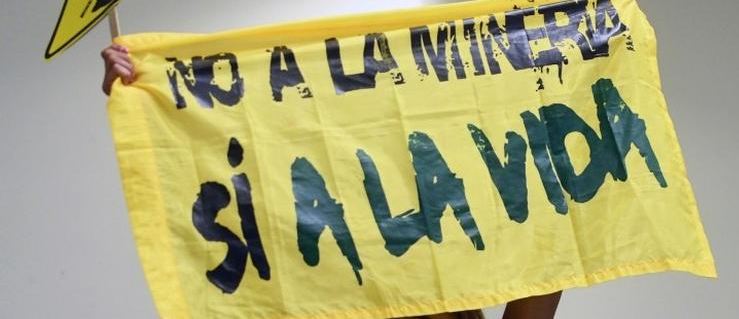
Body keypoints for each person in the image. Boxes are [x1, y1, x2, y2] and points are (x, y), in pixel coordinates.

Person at [101, 45, 563, 319]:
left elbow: (550, 265)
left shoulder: (454, 270)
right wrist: (146, 101)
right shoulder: (321, 276)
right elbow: (225, 190)